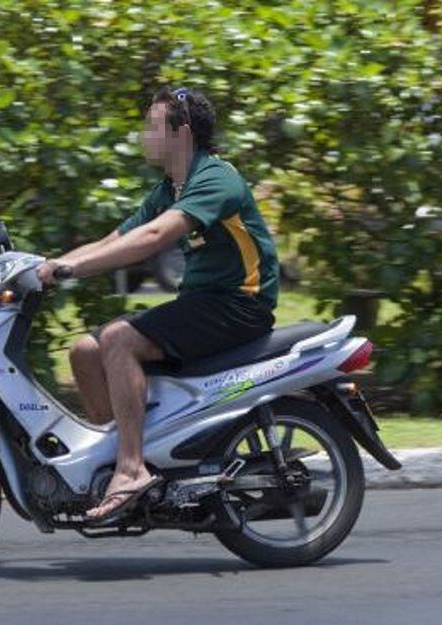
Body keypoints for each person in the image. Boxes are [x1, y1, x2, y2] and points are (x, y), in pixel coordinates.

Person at [36, 86, 279, 522]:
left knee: (119, 339)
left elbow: (152, 238)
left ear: (181, 133)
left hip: (241, 304)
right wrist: (51, 265)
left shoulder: (215, 177)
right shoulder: (170, 187)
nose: (143, 135)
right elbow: (118, 238)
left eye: (152, 126)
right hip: (204, 303)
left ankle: (131, 469)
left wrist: (72, 272)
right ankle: (121, 457)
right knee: (85, 352)